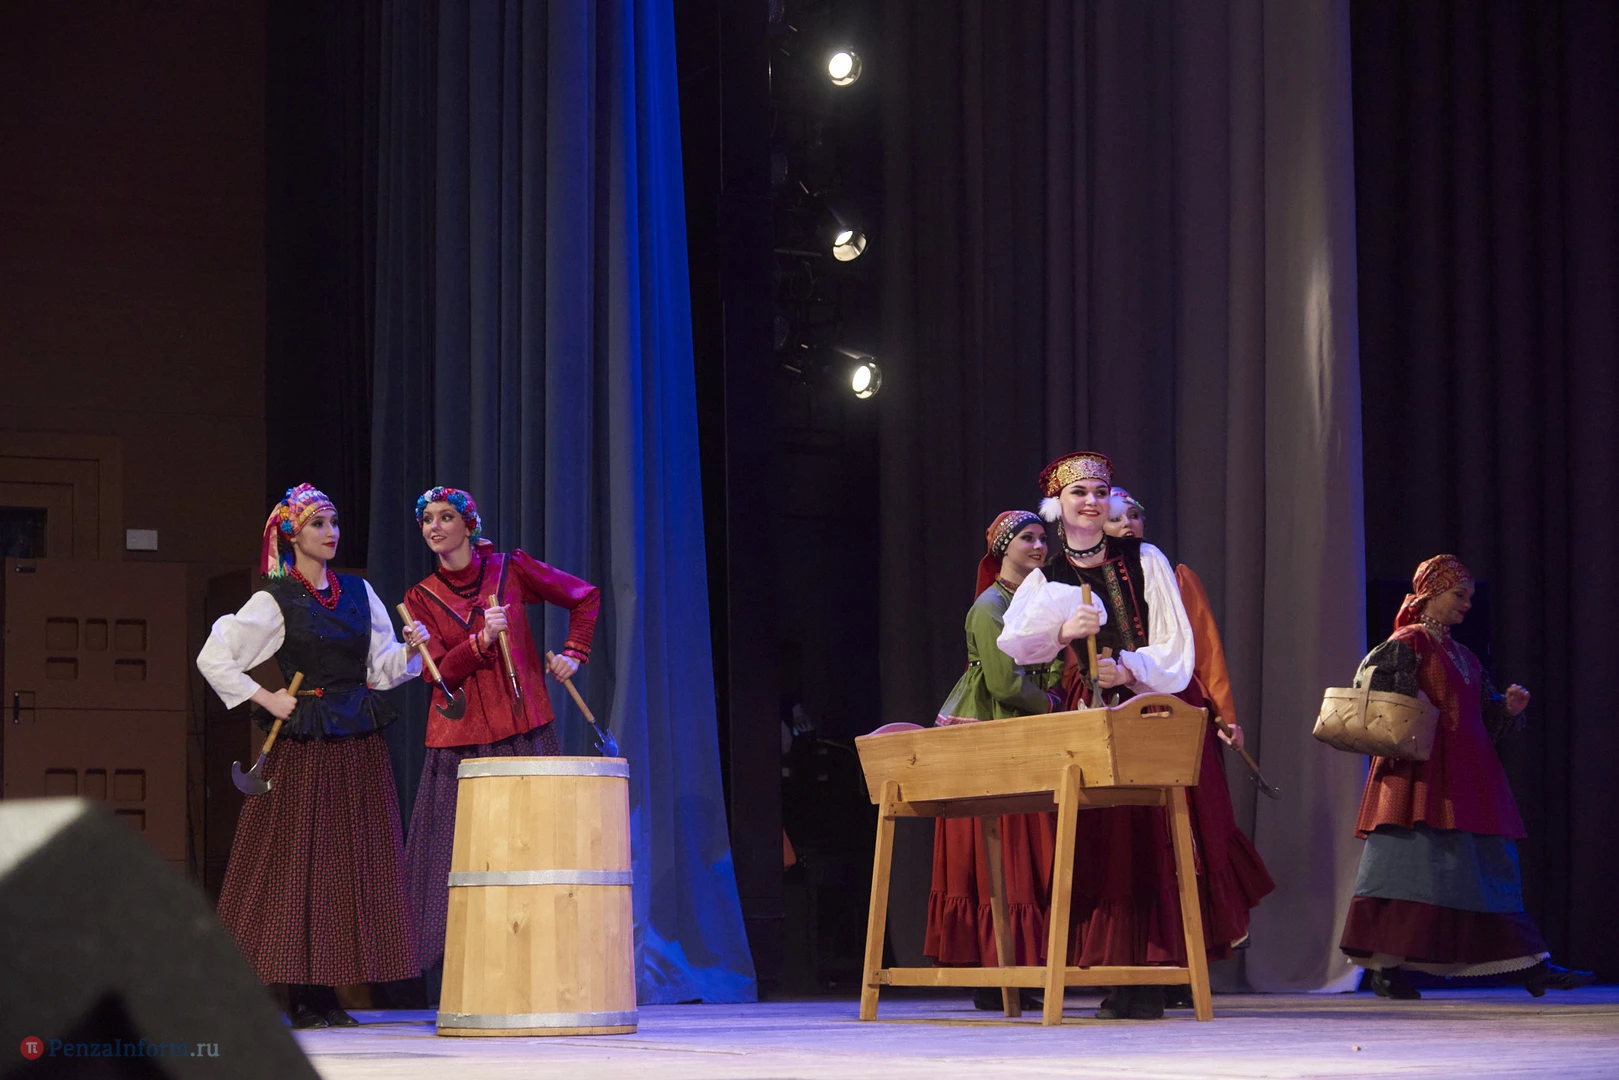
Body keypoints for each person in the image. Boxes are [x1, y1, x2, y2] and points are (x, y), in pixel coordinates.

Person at [198, 484, 424, 1028]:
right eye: (318, 523)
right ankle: (300, 995)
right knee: (302, 863)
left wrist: (412, 651)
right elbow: (214, 656)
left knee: (348, 866)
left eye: (334, 522)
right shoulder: (276, 599)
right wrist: (266, 696)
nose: (331, 532)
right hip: (307, 745)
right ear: (292, 534)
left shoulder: (359, 593)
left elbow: (379, 670)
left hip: (357, 741)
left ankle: (328, 993)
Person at [1001, 451, 1207, 1019]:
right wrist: (1063, 631)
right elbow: (1018, 645)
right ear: (1057, 506)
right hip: (1085, 715)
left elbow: (1176, 647)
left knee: (1142, 836)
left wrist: (1130, 667)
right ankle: (1109, 972)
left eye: (1099, 491)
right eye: (1078, 493)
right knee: (1094, 839)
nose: (1090, 501)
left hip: (1141, 709)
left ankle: (1149, 977)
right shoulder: (1047, 577)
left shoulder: (1143, 559)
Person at [1339, 555, 1594, 998]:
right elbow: (1376, 699)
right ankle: (1386, 967)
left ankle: (1531, 964)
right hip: (1420, 776)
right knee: (1410, 867)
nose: (1467, 604)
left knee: (1486, 866)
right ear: (1432, 593)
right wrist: (1407, 694)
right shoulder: (1406, 643)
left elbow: (1481, 717)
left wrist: (1505, 709)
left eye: (1470, 597)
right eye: (1459, 595)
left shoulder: (1465, 656)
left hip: (1468, 773)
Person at [400, 486, 601, 975]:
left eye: (446, 517)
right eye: (427, 519)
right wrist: (482, 639)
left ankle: (543, 967)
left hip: (523, 731)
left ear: (469, 525)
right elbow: (438, 676)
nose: (434, 527)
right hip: (459, 744)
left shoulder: (510, 569)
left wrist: (574, 653)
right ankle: (467, 974)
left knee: (535, 848)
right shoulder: (419, 598)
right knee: (457, 861)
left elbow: (584, 596)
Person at [1101, 485, 1276, 1004]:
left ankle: (1186, 961)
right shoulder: (1087, 577)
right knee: (1141, 834)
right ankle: (1148, 957)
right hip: (1120, 707)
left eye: (1135, 515)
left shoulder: (1171, 574)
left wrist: (1225, 715)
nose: (1128, 524)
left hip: (1179, 706)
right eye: (1117, 518)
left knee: (1194, 828)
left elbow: (1205, 649)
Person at [923, 511, 1067, 1010]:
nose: (1038, 546)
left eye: (1042, 538)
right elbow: (1005, 684)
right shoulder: (990, 606)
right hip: (992, 723)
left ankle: (1022, 967)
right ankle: (994, 970)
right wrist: (1053, 703)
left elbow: (1048, 662)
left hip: (1025, 723)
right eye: (1027, 538)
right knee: (998, 850)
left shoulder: (1038, 602)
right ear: (1003, 547)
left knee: (1024, 849)